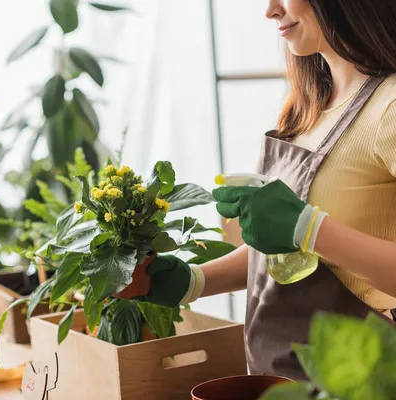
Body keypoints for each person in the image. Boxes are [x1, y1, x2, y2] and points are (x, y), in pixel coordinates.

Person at [119, 0, 396, 380]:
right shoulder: (309, 110)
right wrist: (196, 281)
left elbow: (304, 233)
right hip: (288, 377)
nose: (270, 10)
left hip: (365, 378)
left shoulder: (390, 108)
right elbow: (286, 253)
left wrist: (310, 229)